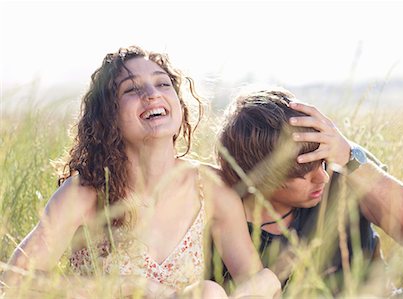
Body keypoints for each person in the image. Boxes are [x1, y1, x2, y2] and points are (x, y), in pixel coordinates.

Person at [0, 47, 280, 298]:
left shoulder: (210, 187)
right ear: (107, 115)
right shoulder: (86, 193)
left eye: (162, 83)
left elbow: (255, 283)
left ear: (179, 104)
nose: (152, 94)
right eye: (131, 89)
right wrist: (129, 287)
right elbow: (14, 281)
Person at [216, 87, 403, 296]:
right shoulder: (226, 215)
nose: (324, 177)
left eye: (321, 164)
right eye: (304, 174)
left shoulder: (342, 160)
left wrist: (349, 158)